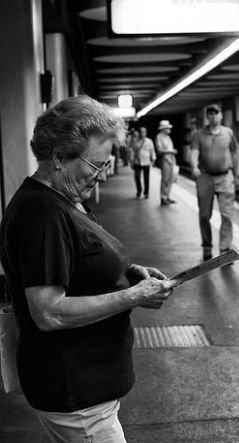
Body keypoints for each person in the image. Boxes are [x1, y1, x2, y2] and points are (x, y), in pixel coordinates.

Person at [0, 95, 174, 443]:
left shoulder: (62, 199)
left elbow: (80, 261)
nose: (100, 174)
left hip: (87, 386)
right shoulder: (44, 215)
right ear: (58, 157)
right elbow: (49, 313)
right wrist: (132, 295)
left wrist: (128, 272)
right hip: (75, 389)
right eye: (95, 165)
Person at [190, 103, 239, 260]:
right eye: (210, 114)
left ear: (221, 115)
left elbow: (235, 153)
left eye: (216, 113)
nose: (213, 116)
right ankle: (207, 245)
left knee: (227, 215)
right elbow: (194, 152)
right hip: (205, 177)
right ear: (207, 117)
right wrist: (194, 166)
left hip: (225, 177)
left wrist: (236, 175)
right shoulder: (198, 134)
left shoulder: (228, 133)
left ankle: (225, 250)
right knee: (204, 215)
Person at [155, 120, 178, 205]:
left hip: (171, 160)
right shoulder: (159, 137)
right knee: (165, 179)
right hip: (165, 160)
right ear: (163, 129)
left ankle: (167, 196)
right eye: (167, 128)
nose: (169, 129)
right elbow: (159, 150)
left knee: (170, 179)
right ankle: (163, 197)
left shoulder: (168, 137)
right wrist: (171, 152)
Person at [130, 126, 156, 199]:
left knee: (146, 178)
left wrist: (153, 159)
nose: (143, 133)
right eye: (141, 132)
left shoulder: (149, 141)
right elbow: (133, 151)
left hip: (146, 161)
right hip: (137, 162)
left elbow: (152, 151)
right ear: (139, 133)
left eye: (144, 132)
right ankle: (139, 190)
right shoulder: (136, 141)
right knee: (137, 177)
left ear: (146, 133)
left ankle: (146, 193)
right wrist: (131, 161)